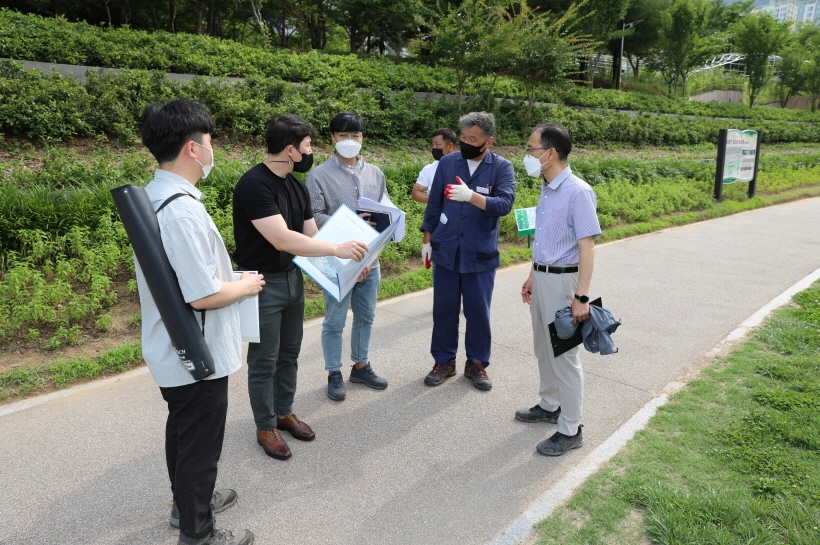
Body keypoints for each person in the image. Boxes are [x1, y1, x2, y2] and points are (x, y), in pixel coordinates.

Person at [135, 99, 262, 545]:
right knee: (200, 447)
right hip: (195, 353)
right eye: (210, 142)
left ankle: (186, 504)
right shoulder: (182, 211)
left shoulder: (158, 195)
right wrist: (247, 286)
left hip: (176, 348)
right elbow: (203, 295)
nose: (213, 149)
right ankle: (199, 533)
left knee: (184, 432)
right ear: (193, 148)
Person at [232, 114, 369, 459]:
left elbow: (311, 235)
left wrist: (347, 264)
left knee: (289, 353)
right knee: (265, 359)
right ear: (291, 150)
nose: (312, 151)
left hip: (293, 278)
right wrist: (336, 249)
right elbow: (281, 238)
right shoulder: (254, 185)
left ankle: (284, 412)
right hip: (261, 283)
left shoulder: (294, 184)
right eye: (308, 145)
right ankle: (265, 426)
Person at [517, 122, 602, 457]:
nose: (526, 155)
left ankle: (571, 428)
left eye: (530, 149)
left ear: (550, 153)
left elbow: (587, 247)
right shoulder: (548, 187)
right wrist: (532, 274)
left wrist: (581, 296)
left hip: (565, 281)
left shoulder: (578, 191)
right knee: (543, 347)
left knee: (564, 356)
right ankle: (550, 405)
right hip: (542, 277)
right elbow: (547, 239)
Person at [420, 111, 515, 391]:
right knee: (444, 309)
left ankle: (476, 363)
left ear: (489, 141)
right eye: (463, 137)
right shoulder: (449, 163)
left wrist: (473, 196)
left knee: (478, 311)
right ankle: (443, 361)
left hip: (480, 253)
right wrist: (428, 239)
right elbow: (434, 204)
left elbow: (504, 204)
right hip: (447, 248)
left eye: (473, 139)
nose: (466, 142)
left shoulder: (501, 167)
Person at [306, 112, 390, 402]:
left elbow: (383, 216)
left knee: (366, 316)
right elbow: (314, 217)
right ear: (332, 138)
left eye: (355, 135)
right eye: (343, 135)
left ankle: (360, 365)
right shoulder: (318, 175)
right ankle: (333, 372)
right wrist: (350, 219)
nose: (350, 141)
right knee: (334, 320)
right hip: (337, 260)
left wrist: (367, 258)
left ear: (363, 138)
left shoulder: (375, 173)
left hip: (371, 261)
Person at [411, 128, 457, 204]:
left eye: (437, 144)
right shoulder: (429, 168)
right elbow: (415, 193)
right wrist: (437, 202)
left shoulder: (464, 167)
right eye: (433, 144)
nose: (434, 148)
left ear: (450, 146)